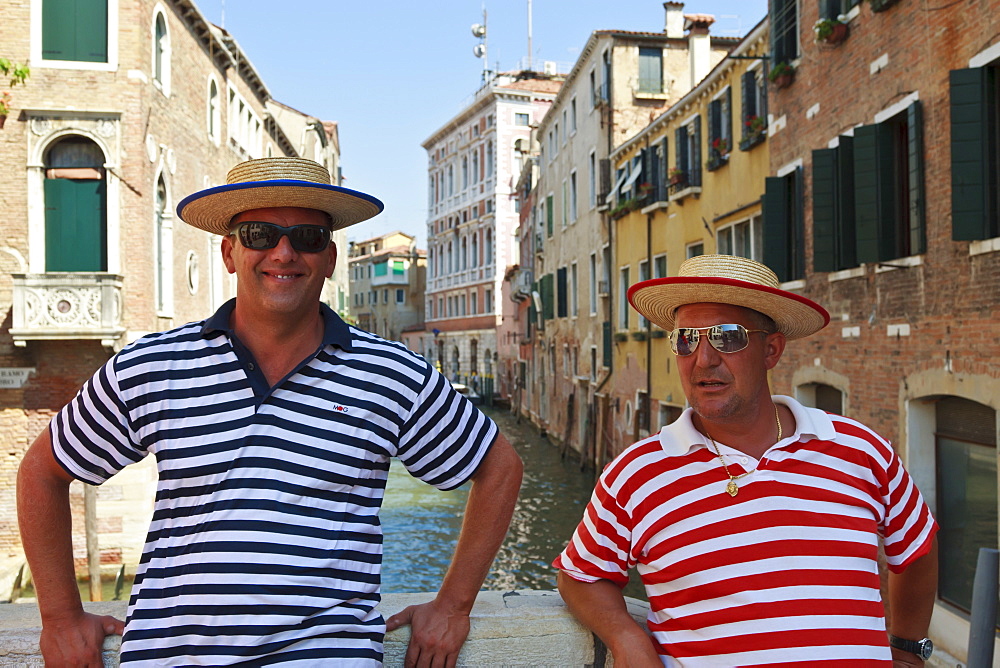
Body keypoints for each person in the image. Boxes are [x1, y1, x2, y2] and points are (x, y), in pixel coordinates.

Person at [17, 157, 523, 667]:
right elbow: (42, 472)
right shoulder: (152, 365)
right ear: (229, 252)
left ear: (328, 257)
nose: (284, 252)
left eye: (306, 236)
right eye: (259, 234)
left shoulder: (391, 374)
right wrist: (60, 617)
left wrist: (454, 606)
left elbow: (499, 469)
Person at [554, 254, 938, 667]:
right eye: (687, 338)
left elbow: (917, 547)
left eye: (727, 336)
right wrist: (626, 637)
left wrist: (908, 649)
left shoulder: (861, 450)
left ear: (771, 349)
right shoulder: (637, 474)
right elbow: (580, 575)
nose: (703, 358)